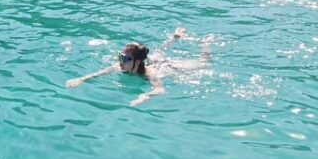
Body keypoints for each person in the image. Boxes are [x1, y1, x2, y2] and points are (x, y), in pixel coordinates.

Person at [65, 28, 210, 106]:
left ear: (136, 62)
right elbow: (99, 73)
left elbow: (160, 89)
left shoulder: (149, 73)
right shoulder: (120, 65)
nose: (120, 61)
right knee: (158, 52)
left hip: (166, 67)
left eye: (125, 58)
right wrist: (81, 79)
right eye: (119, 56)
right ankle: (174, 38)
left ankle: (205, 43)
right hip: (150, 60)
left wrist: (145, 95)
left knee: (203, 63)